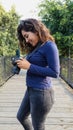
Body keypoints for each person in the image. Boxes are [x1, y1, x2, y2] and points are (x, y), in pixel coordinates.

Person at [16, 18, 60, 130]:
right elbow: (36, 62)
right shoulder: (37, 47)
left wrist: (29, 66)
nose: (26, 40)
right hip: (31, 89)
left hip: (42, 93)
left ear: (35, 30)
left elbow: (55, 72)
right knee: (21, 116)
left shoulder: (49, 46)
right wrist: (22, 62)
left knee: (38, 126)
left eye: (26, 36)